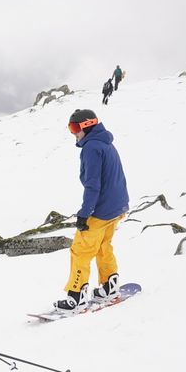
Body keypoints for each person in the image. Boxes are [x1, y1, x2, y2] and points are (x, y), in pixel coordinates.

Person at [56, 109, 129, 311]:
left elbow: (93, 185)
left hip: (101, 209)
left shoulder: (91, 148)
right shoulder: (105, 142)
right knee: (103, 246)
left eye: (75, 128)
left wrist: (85, 213)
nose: (73, 133)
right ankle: (109, 286)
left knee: (80, 250)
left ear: (87, 126)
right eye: (70, 128)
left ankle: (76, 297)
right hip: (116, 206)